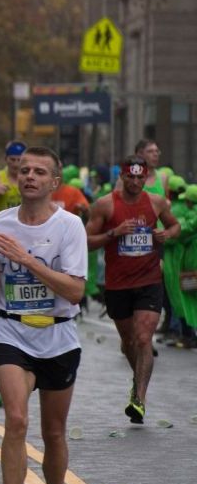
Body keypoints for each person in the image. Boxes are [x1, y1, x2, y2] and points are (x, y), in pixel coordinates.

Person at [0, 147, 87, 484]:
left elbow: (75, 290)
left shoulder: (69, 226)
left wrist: (27, 259)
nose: (30, 177)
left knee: (53, 433)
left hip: (59, 336)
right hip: (13, 333)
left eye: (40, 172)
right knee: (17, 420)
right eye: (24, 170)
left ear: (53, 182)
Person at [85, 156, 180, 423]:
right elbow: (85, 240)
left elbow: (175, 225)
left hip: (149, 280)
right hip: (118, 284)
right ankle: (137, 379)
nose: (136, 182)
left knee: (143, 338)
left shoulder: (155, 202)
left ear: (146, 177)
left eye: (141, 177)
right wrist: (113, 233)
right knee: (128, 342)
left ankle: (139, 397)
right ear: (122, 177)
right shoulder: (104, 204)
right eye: (131, 177)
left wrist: (167, 235)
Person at [0, 141, 26, 213]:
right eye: (12, 159)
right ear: (6, 159)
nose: (16, 164)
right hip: (2, 222)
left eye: (19, 160)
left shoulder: (30, 179)